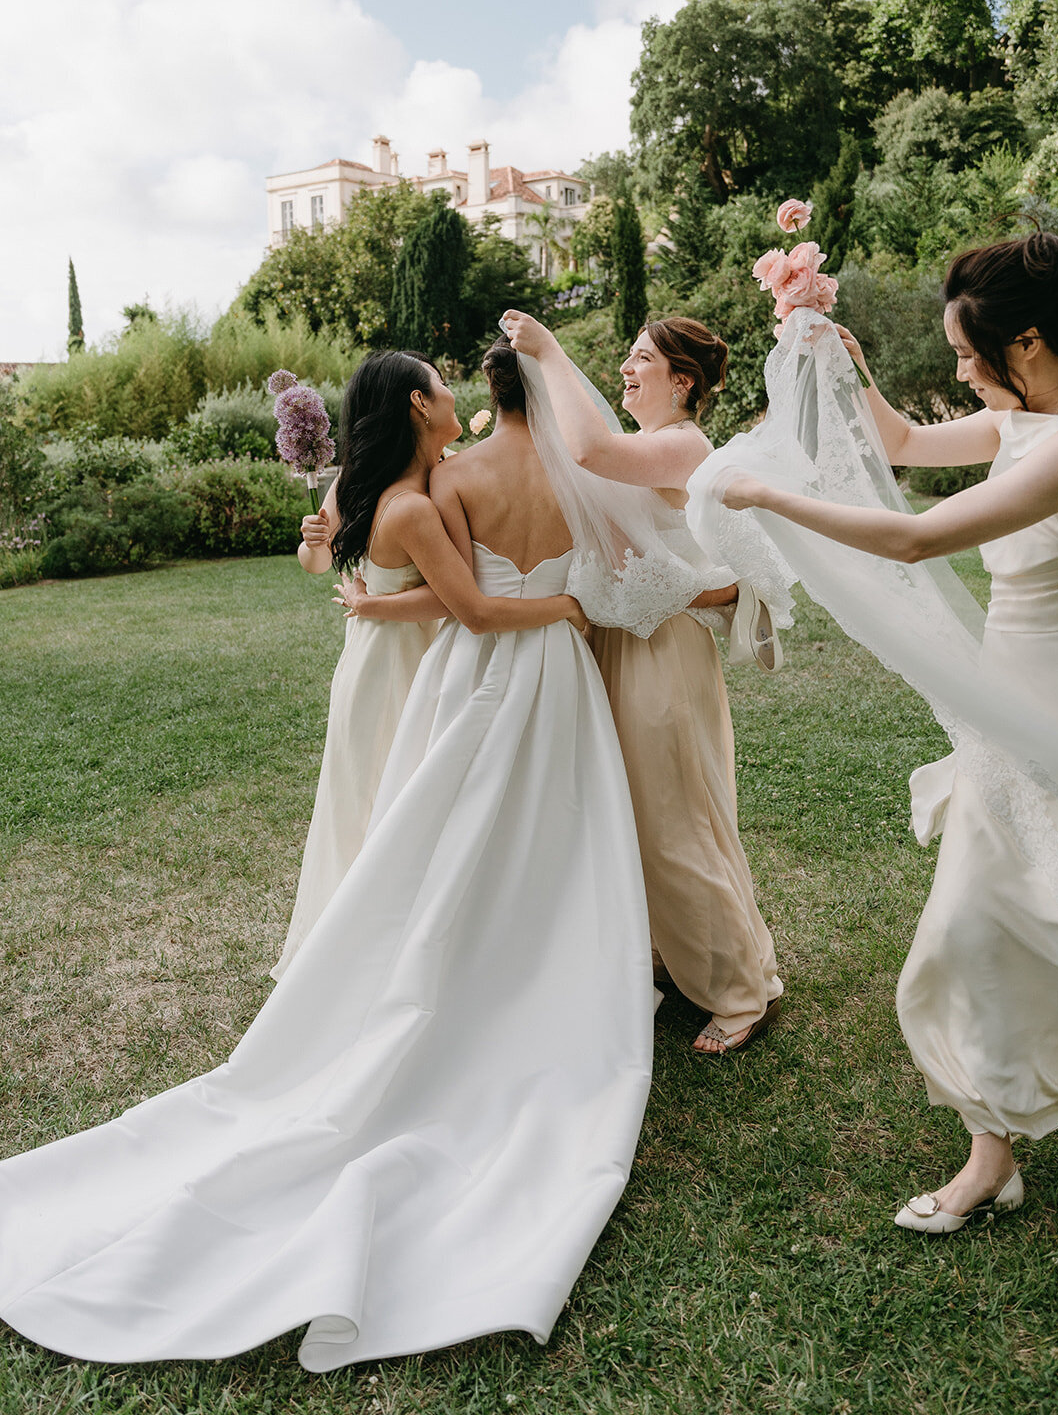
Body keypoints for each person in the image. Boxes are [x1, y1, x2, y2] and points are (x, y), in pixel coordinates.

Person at [0, 341, 655, 1371]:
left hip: (471, 674)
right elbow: (527, 583)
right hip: (546, 671)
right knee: (535, 833)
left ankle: (453, 960)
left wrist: (361, 577)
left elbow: (444, 588)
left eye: (455, 383)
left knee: (437, 832)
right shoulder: (548, 483)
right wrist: (572, 606)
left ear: (478, 394)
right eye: (431, 388)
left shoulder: (450, 478)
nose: (447, 398)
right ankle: (524, 966)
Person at [713, 233, 1058, 1230]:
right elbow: (903, 444)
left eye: (965, 354)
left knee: (1032, 916)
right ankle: (988, 1155)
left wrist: (769, 496)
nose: (958, 371)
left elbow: (914, 534)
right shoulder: (1014, 424)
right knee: (972, 922)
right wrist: (832, 352)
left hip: (1053, 701)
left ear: (1027, 344)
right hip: (1007, 705)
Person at [501, 311, 784, 1055]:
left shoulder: (681, 443)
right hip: (621, 644)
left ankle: (738, 993)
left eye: (638, 359)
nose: (624, 370)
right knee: (630, 815)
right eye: (625, 358)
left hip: (661, 653)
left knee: (672, 821)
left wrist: (551, 351)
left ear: (680, 381)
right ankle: (672, 952)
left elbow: (588, 450)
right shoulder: (647, 445)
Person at [272, 350, 583, 977]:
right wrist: (317, 550)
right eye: (440, 385)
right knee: (394, 803)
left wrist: (368, 601)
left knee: (389, 799)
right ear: (418, 404)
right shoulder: (406, 503)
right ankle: (380, 948)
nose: (451, 392)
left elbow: (417, 588)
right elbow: (454, 594)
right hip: (399, 667)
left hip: (391, 654)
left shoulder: (403, 479)